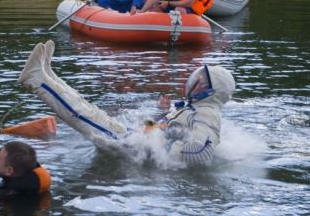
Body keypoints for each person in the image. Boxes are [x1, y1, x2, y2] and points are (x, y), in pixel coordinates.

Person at [18, 40, 236, 165]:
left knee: (84, 117)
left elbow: (201, 151)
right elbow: (172, 130)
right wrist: (158, 118)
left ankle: (38, 81)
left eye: (201, 80)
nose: (194, 81)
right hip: (136, 139)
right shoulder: (197, 108)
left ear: (210, 91)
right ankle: (48, 75)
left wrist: (162, 150)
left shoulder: (207, 113)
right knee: (90, 112)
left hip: (137, 151)